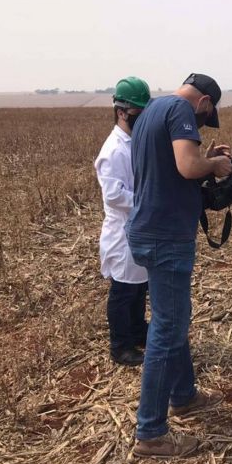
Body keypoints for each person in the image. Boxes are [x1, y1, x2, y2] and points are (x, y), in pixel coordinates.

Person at [126, 73, 232, 458]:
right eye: (207, 116)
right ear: (204, 102)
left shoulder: (153, 108)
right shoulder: (181, 110)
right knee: (168, 330)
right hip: (165, 235)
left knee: (173, 319)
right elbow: (188, 167)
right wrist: (215, 165)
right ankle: (151, 434)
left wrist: (208, 159)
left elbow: (172, 166)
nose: (204, 121)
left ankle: (184, 395)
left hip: (148, 229)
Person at [94, 76, 151, 366]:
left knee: (140, 286)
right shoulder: (114, 149)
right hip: (123, 230)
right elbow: (115, 195)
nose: (140, 120)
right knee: (123, 291)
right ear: (120, 112)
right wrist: (148, 201)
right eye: (136, 115)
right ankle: (120, 346)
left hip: (139, 227)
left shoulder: (134, 142)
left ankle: (138, 330)